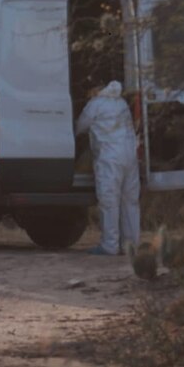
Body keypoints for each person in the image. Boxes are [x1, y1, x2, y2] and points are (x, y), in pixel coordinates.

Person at [75, 80, 139, 255]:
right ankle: (131, 245)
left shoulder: (95, 104)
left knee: (109, 201)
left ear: (96, 90)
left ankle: (110, 245)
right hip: (130, 155)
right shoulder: (121, 102)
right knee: (130, 201)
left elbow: (80, 127)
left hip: (110, 157)